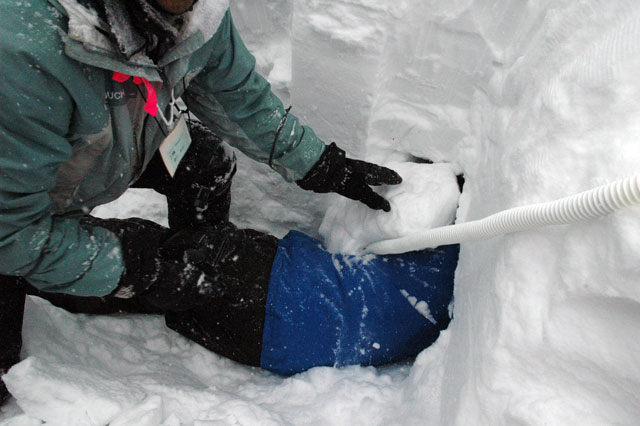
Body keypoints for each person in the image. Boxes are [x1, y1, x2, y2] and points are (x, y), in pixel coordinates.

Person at [0, 0, 458, 403]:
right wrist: (140, 264)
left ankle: (183, 286)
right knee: (31, 274)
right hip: (15, 206)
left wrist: (322, 165)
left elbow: (241, 99)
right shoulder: (26, 51)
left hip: (113, 140)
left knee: (201, 163)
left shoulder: (198, 14)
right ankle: (62, 286)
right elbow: (10, 231)